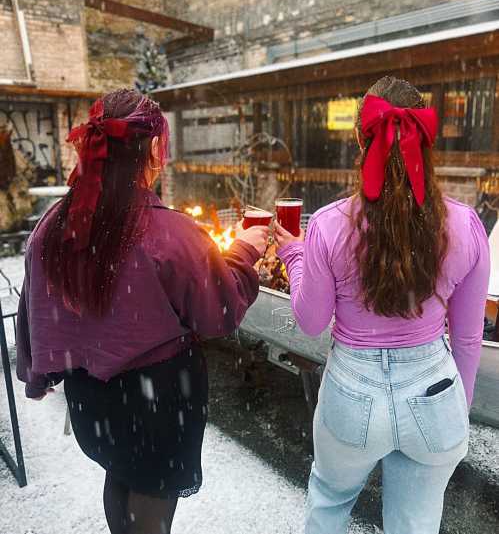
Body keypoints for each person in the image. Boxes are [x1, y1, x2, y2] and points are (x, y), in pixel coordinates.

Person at [16, 89, 270, 534]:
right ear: (153, 148)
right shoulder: (168, 233)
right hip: (158, 401)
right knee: (151, 493)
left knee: (118, 473)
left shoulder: (53, 226)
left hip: (90, 400)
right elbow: (218, 311)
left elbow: (32, 306)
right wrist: (245, 252)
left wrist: (37, 373)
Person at [274, 76, 490, 534]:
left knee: (329, 503)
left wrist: (293, 254)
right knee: (414, 524)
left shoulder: (329, 226)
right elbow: (468, 337)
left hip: (352, 393)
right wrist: (456, 409)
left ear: (359, 137)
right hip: (435, 392)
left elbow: (311, 322)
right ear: (427, 141)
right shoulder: (466, 225)